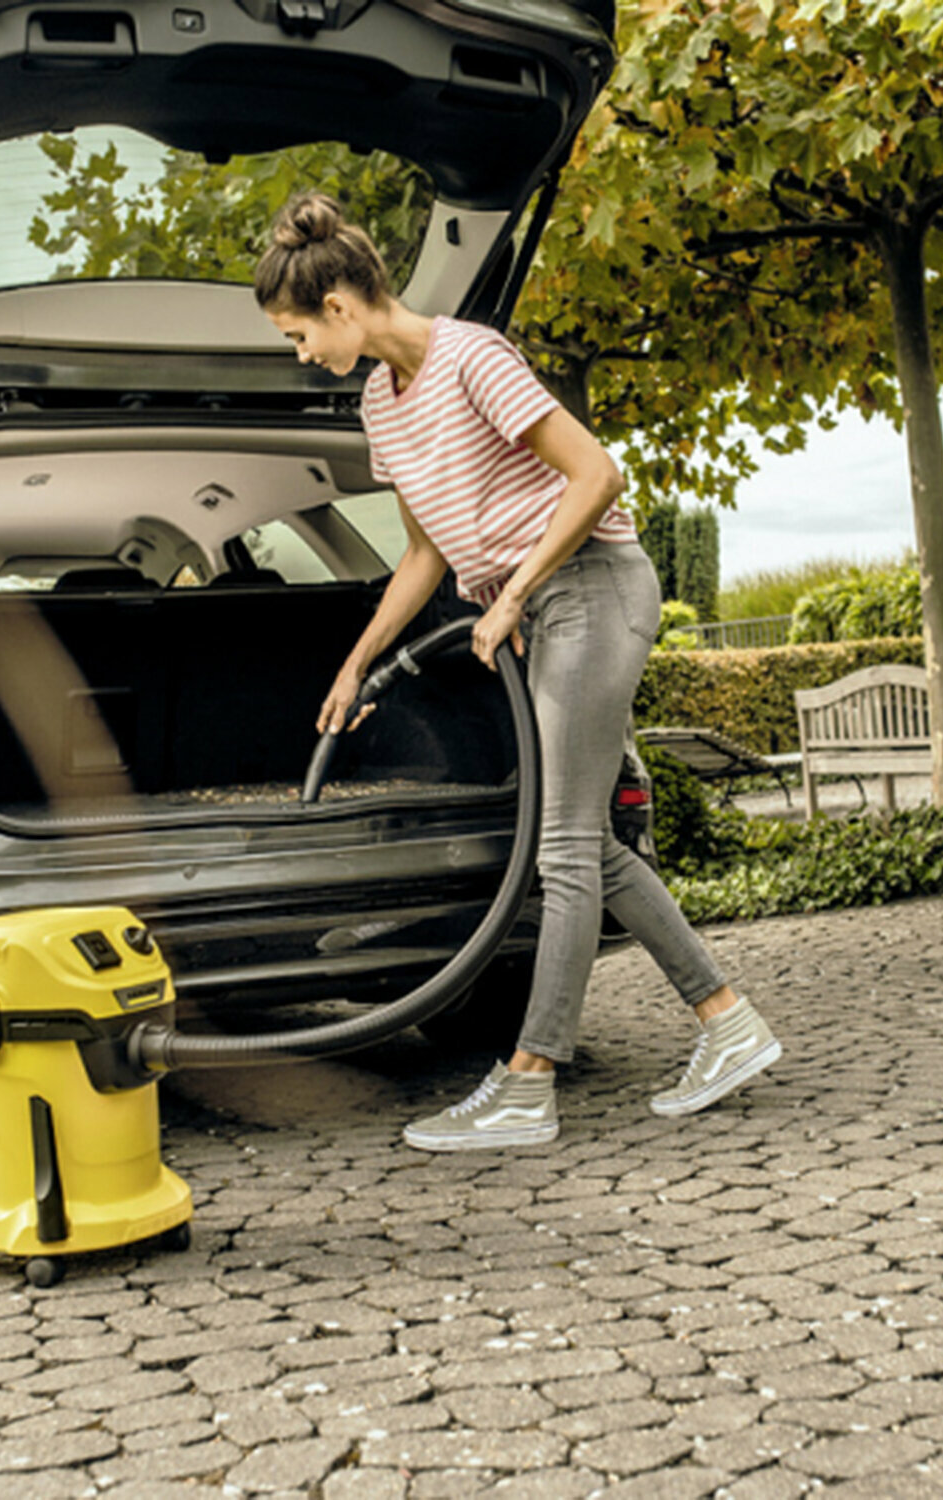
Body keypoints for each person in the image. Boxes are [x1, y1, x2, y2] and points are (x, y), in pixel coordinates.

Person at [253, 192, 781, 1152]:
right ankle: (728, 1023)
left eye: (297, 334)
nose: (301, 355)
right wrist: (358, 661)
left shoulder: (473, 357)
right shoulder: (382, 398)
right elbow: (422, 554)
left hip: (594, 589)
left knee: (564, 848)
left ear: (339, 306)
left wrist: (509, 596)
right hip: (543, 608)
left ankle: (529, 1082)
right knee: (595, 846)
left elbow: (597, 475)